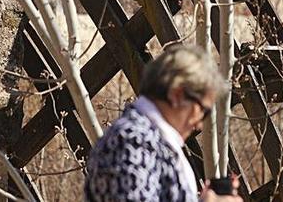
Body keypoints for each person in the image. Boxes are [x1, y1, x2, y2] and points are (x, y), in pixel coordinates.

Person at [85, 44, 243, 202]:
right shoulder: (132, 142)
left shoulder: (147, 141)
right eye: (202, 110)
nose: (200, 124)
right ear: (177, 95)